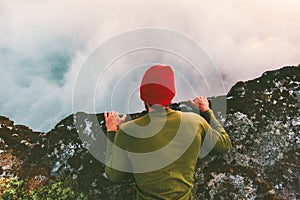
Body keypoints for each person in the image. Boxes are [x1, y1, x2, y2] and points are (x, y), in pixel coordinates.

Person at [104, 64, 232, 199]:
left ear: (143, 97)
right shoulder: (196, 122)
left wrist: (112, 131)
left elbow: (114, 175)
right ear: (171, 95)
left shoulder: (128, 131)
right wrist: (206, 111)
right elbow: (225, 144)